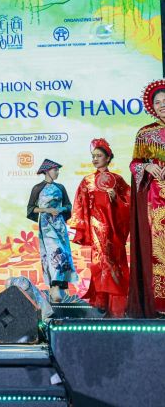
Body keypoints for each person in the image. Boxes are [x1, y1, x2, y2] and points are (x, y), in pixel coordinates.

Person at [72, 138, 130, 317]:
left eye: (99, 155)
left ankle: (117, 308)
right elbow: (79, 205)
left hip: (114, 231)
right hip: (97, 230)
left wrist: (116, 200)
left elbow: (129, 204)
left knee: (115, 264)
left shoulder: (118, 180)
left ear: (108, 157)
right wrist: (83, 227)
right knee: (99, 264)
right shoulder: (87, 181)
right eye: (93, 156)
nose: (95, 159)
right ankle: (102, 304)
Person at [128, 79, 165, 317]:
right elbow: (134, 164)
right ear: (152, 106)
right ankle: (160, 304)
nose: (162, 105)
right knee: (157, 249)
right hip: (156, 200)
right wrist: (147, 168)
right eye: (158, 102)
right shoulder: (145, 133)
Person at [27, 158, 79, 302]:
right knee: (52, 252)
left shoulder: (60, 187)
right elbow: (31, 209)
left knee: (62, 253)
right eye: (55, 170)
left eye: (57, 170)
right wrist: (47, 209)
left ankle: (60, 288)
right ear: (47, 171)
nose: (57, 173)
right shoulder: (37, 188)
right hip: (46, 225)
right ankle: (54, 286)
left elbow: (68, 206)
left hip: (59, 224)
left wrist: (60, 209)